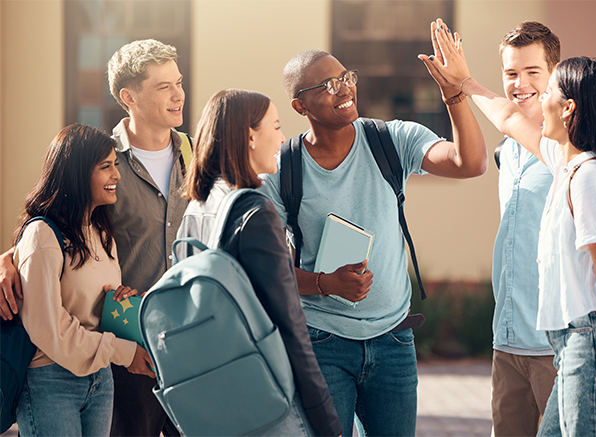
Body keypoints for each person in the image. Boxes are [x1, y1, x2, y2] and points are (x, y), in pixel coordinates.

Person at [423, 19, 596, 437]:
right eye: (512, 73)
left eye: (544, 85)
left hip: (586, 342)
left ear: (567, 104)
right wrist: (463, 84)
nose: (531, 91)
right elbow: (508, 115)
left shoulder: (588, 174)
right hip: (546, 340)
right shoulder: (554, 156)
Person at [258, 48, 487, 436]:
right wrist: (323, 283)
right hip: (321, 342)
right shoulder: (282, 168)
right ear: (301, 105)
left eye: (347, 76)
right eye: (329, 85)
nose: (344, 88)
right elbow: (267, 268)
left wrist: (455, 94)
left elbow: (470, 163)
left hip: (393, 338)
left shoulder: (392, 139)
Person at [0, 38, 189, 436]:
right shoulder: (99, 161)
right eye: (164, 86)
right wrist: (9, 258)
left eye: (179, 82)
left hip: (186, 338)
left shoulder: (194, 154)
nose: (178, 95)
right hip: (122, 345)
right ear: (128, 97)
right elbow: (51, 229)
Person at [176, 88, 342, 437]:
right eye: (277, 127)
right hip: (264, 393)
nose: (283, 139)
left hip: (212, 387)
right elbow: (289, 323)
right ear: (250, 137)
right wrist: (326, 419)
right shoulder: (253, 211)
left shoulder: (198, 206)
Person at [12, 124, 154, 437]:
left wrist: (120, 304)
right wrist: (124, 352)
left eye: (115, 165)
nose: (116, 175)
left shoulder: (102, 235)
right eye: (105, 167)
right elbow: (51, 331)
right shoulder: (43, 237)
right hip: (51, 381)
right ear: (76, 173)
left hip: (101, 379)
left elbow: (89, 310)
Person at [489, 21, 559, 436]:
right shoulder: (506, 151)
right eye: (512, 73)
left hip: (556, 346)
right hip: (507, 341)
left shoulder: (577, 145)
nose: (521, 84)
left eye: (533, 72)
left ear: (554, 74)